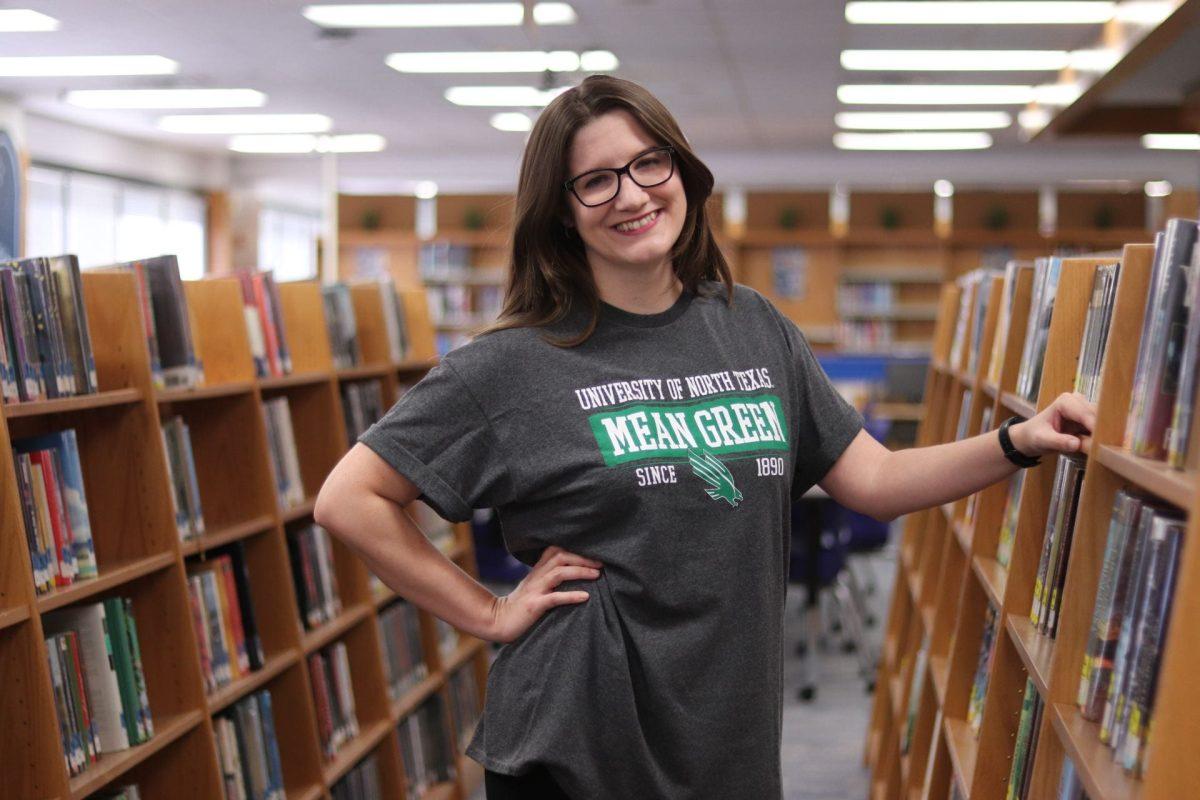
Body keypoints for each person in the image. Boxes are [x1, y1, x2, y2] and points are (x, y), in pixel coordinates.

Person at [313, 75, 1095, 799]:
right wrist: (487, 614)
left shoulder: (751, 325)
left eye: (648, 164)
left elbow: (877, 482)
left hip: (727, 731)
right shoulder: (512, 364)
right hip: (580, 740)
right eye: (596, 180)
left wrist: (1018, 442)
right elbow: (350, 499)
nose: (631, 194)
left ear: (682, 173)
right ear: (561, 210)